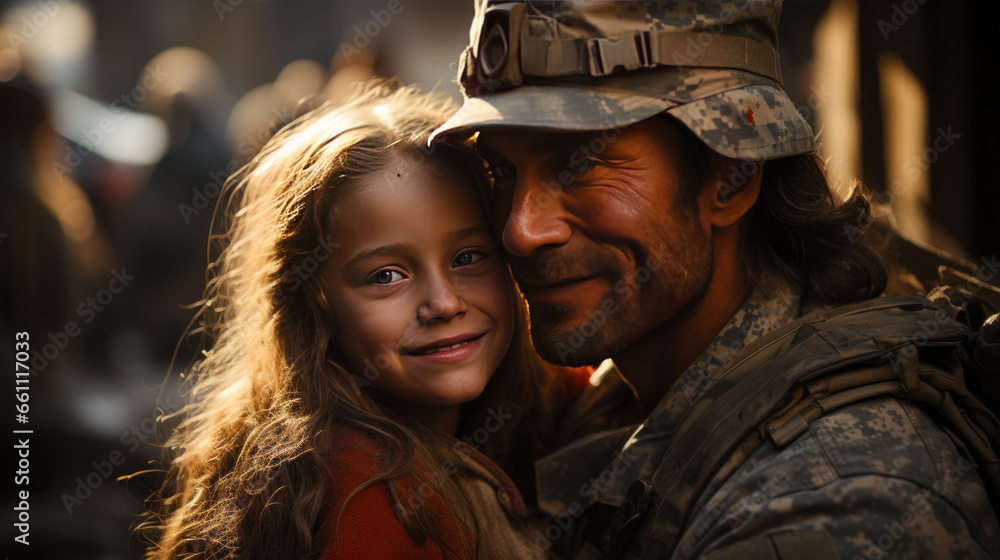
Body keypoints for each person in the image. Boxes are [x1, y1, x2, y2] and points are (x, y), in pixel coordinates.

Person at [432, 1, 1000, 559]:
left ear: (730, 178)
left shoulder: (835, 503)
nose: (519, 230)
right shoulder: (620, 397)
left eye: (579, 164)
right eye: (499, 171)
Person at [138, 82, 572, 560]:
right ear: (315, 302)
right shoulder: (374, 508)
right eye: (386, 275)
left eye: (468, 256)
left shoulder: (512, 414)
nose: (444, 303)